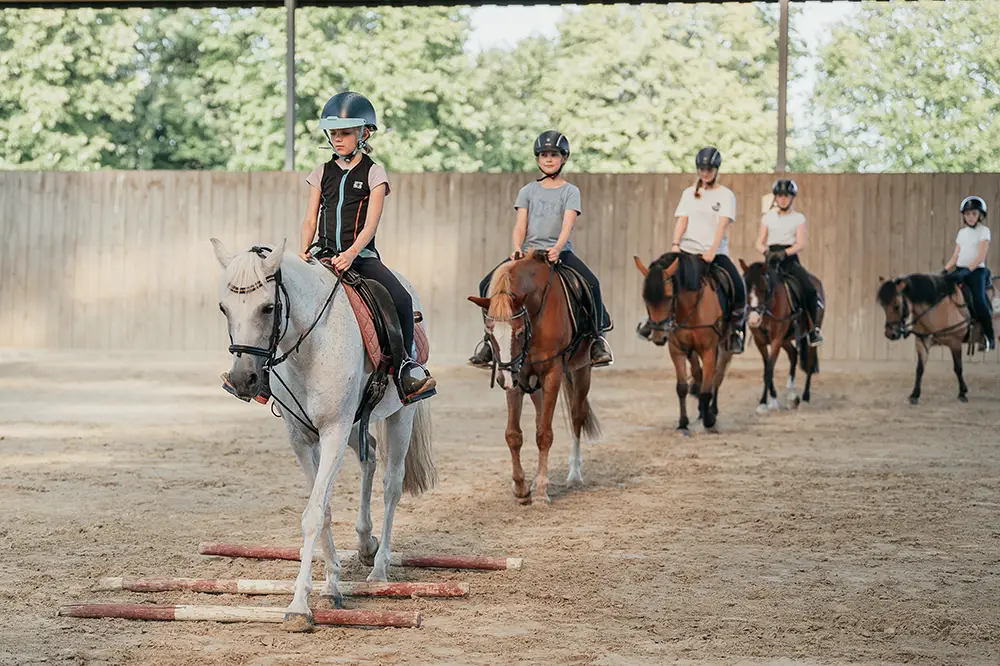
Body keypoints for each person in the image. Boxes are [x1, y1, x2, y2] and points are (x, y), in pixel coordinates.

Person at [468, 130, 614, 368]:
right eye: (544, 155)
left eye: (554, 155)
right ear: (537, 159)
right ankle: (489, 340)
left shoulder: (570, 191)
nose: (548, 159)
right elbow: (520, 225)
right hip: (527, 253)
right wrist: (516, 247)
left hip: (559, 253)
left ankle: (597, 338)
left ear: (564, 158)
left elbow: (567, 224)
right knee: (486, 283)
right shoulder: (528, 191)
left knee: (592, 283)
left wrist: (557, 248)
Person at [639, 146, 746, 352]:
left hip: (713, 254)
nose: (705, 173)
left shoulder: (725, 195)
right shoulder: (689, 193)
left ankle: (735, 331)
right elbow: (682, 221)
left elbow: (722, 225)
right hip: (687, 251)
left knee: (738, 284)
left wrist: (713, 250)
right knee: (657, 274)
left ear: (716, 170)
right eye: (702, 169)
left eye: (709, 169)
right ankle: (651, 321)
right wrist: (675, 245)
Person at [754, 178, 823, 346]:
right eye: (780, 196)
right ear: (776, 198)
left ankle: (813, 330)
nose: (783, 199)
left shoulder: (798, 218)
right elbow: (758, 242)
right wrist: (766, 252)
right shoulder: (768, 218)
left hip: (789, 260)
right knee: (751, 287)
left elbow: (801, 243)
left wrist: (784, 253)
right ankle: (741, 328)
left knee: (809, 289)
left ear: (792, 198)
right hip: (770, 258)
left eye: (786, 196)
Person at [944, 195, 994, 351]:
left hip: (976, 270)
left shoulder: (983, 231)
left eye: (974, 214)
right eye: (967, 214)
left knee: (979, 300)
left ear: (980, 215)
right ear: (964, 216)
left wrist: (967, 270)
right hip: (960, 270)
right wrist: (945, 270)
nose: (970, 217)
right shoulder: (962, 233)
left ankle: (989, 336)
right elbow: (955, 256)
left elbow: (980, 255)